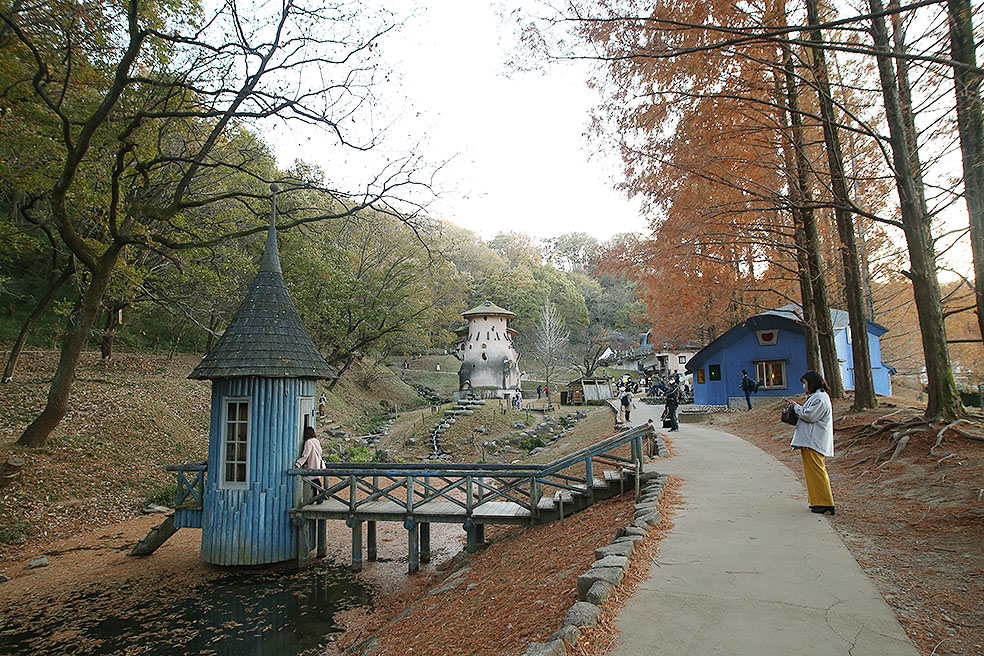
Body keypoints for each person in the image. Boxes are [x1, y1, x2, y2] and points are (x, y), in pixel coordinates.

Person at [784, 370, 835, 515]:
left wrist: (796, 407)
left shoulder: (820, 398)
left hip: (814, 441)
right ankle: (817, 501)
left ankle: (826, 502)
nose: (804, 386)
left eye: (805, 383)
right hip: (810, 441)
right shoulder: (817, 397)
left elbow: (809, 415)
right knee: (812, 473)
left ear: (811, 383)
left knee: (817, 471)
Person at [295, 426, 325, 498]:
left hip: (312, 463)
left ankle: (320, 496)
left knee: (315, 482)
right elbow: (320, 451)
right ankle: (316, 497)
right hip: (317, 463)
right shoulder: (316, 440)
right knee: (314, 481)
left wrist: (298, 463)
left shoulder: (308, 442)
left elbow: (306, 455)